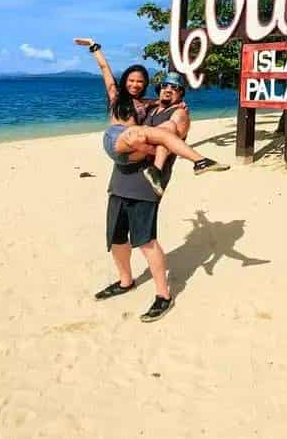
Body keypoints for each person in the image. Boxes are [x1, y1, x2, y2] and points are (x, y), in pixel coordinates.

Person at [77, 39, 228, 323]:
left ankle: (163, 295)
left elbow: (172, 137)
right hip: (120, 179)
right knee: (117, 238)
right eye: (164, 87)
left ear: (181, 93)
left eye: (174, 88)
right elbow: (109, 76)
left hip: (147, 185)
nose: (168, 91)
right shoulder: (146, 107)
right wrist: (96, 48)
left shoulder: (178, 113)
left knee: (146, 241)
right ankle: (125, 281)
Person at [74, 37, 227, 190]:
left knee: (169, 127)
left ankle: (156, 172)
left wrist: (179, 103)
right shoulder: (116, 95)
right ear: (125, 81)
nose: (135, 84)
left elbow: (163, 100)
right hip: (116, 139)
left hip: (131, 155)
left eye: (139, 81)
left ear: (145, 84)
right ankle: (200, 161)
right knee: (147, 134)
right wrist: (94, 46)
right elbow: (104, 68)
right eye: (131, 80)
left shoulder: (147, 103)